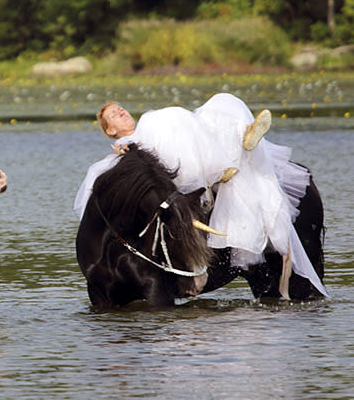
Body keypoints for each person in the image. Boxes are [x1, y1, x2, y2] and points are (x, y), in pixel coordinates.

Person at [75, 93, 326, 297]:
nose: (120, 111)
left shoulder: (151, 130)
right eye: (112, 115)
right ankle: (222, 164)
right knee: (165, 117)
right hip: (160, 174)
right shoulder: (121, 152)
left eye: (120, 108)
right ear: (109, 131)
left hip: (175, 156)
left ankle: (238, 140)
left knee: (219, 101)